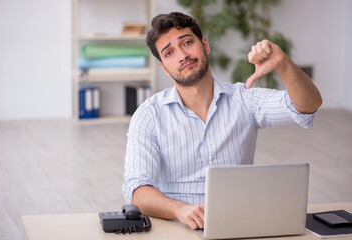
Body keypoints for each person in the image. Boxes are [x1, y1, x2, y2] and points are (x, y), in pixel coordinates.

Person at [122, 12, 322, 230]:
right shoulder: (149, 115)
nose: (182, 55)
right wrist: (180, 209)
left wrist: (282, 63)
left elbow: (307, 105)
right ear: (164, 67)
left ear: (205, 45)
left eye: (187, 42)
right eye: (169, 53)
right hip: (178, 229)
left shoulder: (245, 99)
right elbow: (137, 190)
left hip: (238, 225)